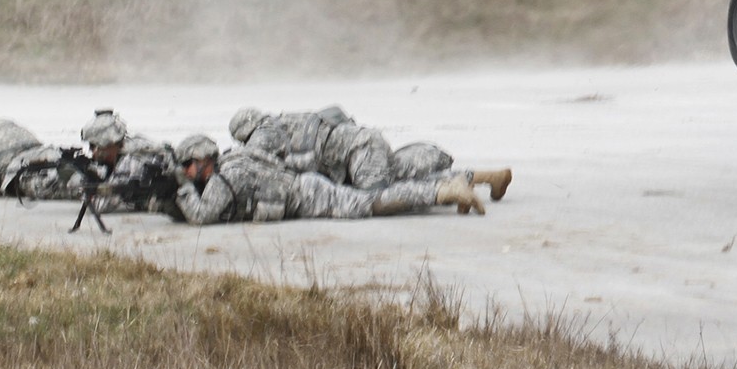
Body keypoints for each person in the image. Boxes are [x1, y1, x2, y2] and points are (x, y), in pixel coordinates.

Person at [174, 135, 490, 224]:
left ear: (202, 160)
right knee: (372, 197)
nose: (187, 171)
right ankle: (474, 178)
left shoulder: (220, 179)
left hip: (308, 196)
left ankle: (445, 191)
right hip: (307, 185)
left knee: (372, 203)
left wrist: (183, 190)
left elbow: (202, 216)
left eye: (188, 165)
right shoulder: (236, 157)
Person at [230, 106, 503, 200]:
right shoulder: (288, 121)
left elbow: (255, 162)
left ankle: (451, 189)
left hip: (359, 153)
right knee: (400, 171)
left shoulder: (265, 133)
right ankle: (487, 176)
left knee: (383, 195)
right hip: (366, 143)